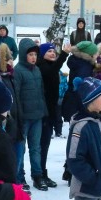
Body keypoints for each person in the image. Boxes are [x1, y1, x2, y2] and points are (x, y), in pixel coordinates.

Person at [13, 39, 48, 189]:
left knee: (36, 148)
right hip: (24, 118)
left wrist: (44, 111)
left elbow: (41, 93)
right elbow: (17, 95)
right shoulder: (18, 71)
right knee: (21, 148)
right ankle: (19, 177)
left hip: (37, 116)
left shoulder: (37, 70)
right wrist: (19, 117)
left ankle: (37, 175)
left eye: (35, 54)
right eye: (30, 54)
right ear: (23, 55)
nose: (33, 57)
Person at [37, 43, 67, 175]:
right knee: (41, 145)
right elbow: (51, 71)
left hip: (51, 111)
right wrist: (64, 54)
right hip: (43, 112)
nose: (53, 53)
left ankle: (43, 171)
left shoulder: (51, 67)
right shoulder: (42, 66)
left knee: (46, 144)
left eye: (54, 51)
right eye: (49, 51)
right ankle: (39, 172)